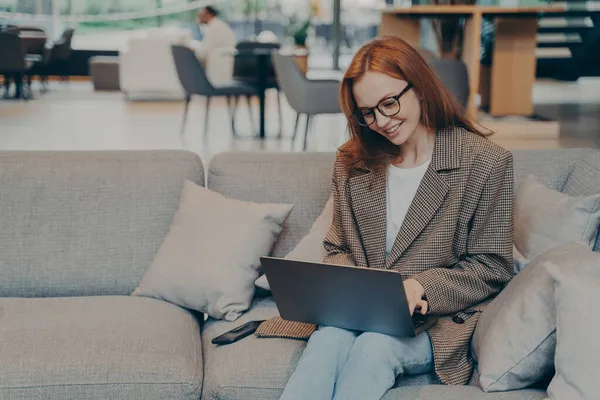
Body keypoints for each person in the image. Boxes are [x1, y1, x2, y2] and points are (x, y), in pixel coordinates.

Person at [272, 36, 515, 400]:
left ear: (420, 86)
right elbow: (336, 246)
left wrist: (423, 287)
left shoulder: (486, 162)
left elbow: (493, 265)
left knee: (375, 347)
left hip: (439, 321)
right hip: (359, 312)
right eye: (367, 112)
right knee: (327, 342)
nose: (381, 122)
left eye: (389, 103)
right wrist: (355, 289)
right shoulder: (352, 161)